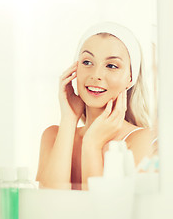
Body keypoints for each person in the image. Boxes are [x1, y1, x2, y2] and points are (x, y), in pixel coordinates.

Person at [36, 22, 156, 190]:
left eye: (111, 65)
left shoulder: (142, 141)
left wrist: (92, 145)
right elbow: (48, 208)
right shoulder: (52, 136)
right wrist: (69, 118)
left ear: (130, 78)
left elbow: (103, 213)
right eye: (87, 62)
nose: (96, 75)